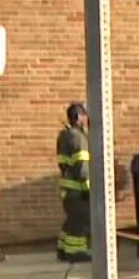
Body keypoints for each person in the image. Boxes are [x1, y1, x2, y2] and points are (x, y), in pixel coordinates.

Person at [55, 102, 91, 263]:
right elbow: (82, 166)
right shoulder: (78, 137)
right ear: (78, 118)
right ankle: (76, 252)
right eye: (85, 116)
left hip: (68, 188)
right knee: (81, 220)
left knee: (71, 219)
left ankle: (63, 249)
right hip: (77, 189)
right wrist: (88, 188)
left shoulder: (64, 135)